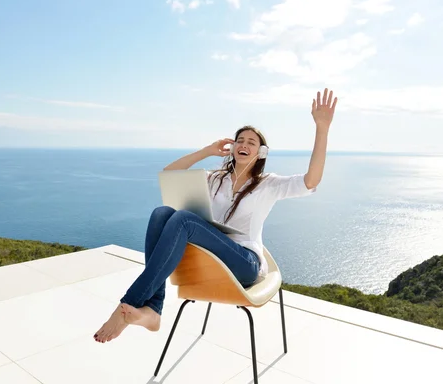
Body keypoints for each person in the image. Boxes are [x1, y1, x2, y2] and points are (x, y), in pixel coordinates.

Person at [94, 88, 337, 343]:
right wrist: (207, 151)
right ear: (232, 147)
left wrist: (322, 127)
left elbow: (311, 181)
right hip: (212, 258)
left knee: (183, 219)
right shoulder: (215, 179)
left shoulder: (268, 184)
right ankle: (153, 309)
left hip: (245, 263)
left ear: (261, 153)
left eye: (251, 142)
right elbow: (170, 173)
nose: (243, 144)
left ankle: (126, 306)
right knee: (161, 213)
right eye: (239, 140)